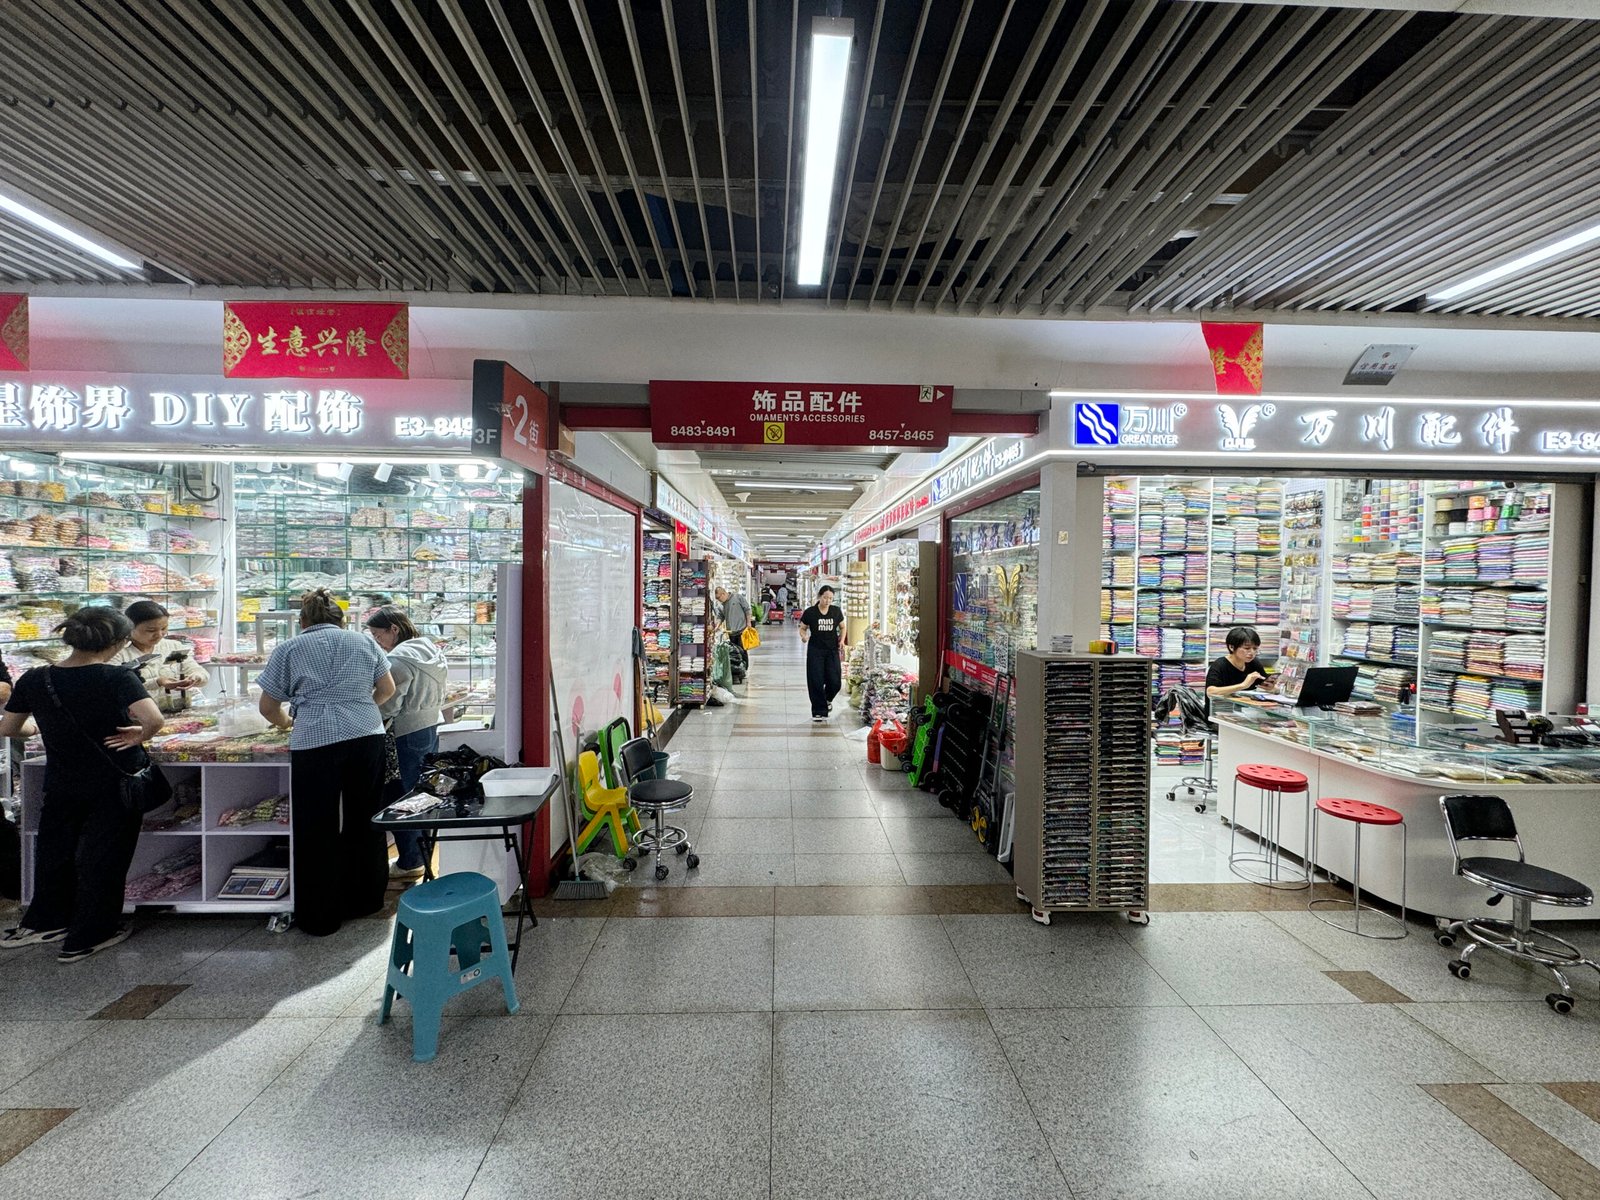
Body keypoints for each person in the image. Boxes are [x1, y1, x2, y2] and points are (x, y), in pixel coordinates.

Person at [0, 607, 164, 961]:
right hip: (113, 779)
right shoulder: (116, 677)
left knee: (54, 848)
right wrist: (139, 734)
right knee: (104, 855)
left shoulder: (35, 677)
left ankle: (44, 921)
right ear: (119, 642)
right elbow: (154, 719)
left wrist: (42, 728)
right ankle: (89, 934)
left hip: (62, 778)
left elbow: (10, 728)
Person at [258, 589, 396, 937]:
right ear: (342, 619)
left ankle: (320, 916)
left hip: (315, 739)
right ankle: (366, 900)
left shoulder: (289, 648)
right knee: (366, 817)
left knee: (315, 826)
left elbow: (267, 706)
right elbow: (387, 688)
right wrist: (362, 706)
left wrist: (288, 723)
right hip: (366, 734)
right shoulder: (363, 643)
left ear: (303, 621)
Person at [365, 606, 448, 881]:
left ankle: (410, 860)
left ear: (394, 630)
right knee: (423, 794)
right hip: (429, 725)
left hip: (406, 732)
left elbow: (389, 703)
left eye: (378, 635)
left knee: (403, 798)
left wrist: (366, 713)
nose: (377, 641)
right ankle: (421, 856)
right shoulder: (429, 649)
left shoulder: (399, 660)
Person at [113, 600, 210, 713]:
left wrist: (195, 678)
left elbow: (200, 672)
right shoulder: (118, 653)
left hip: (178, 712)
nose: (159, 635)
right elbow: (117, 688)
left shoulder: (174, 646)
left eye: (164, 628)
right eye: (151, 630)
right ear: (130, 628)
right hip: (140, 719)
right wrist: (157, 682)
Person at [799, 585, 843, 722]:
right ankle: (818, 710)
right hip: (815, 650)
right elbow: (803, 628)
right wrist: (804, 636)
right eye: (825, 597)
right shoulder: (810, 612)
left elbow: (842, 626)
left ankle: (827, 699)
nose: (827, 601)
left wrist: (841, 640)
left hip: (832, 650)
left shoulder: (836, 611)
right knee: (815, 680)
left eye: (830, 598)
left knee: (835, 681)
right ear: (820, 597)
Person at [1205, 626, 1269, 708]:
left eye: (1255, 648)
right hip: (1220, 712)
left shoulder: (1254, 662)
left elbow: (1263, 684)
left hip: (1247, 711)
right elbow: (1210, 692)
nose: (1252, 652)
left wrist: (1270, 686)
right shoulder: (1220, 665)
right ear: (1231, 647)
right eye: (1247, 648)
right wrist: (1243, 685)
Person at [714, 586, 752, 676]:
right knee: (734, 652)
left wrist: (749, 622)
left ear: (723, 594)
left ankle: (744, 670)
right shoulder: (722, 605)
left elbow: (747, 609)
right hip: (731, 632)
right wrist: (717, 626)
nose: (719, 600)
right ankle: (737, 670)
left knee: (742, 650)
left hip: (741, 630)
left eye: (719, 598)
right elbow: (720, 616)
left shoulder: (738, 597)